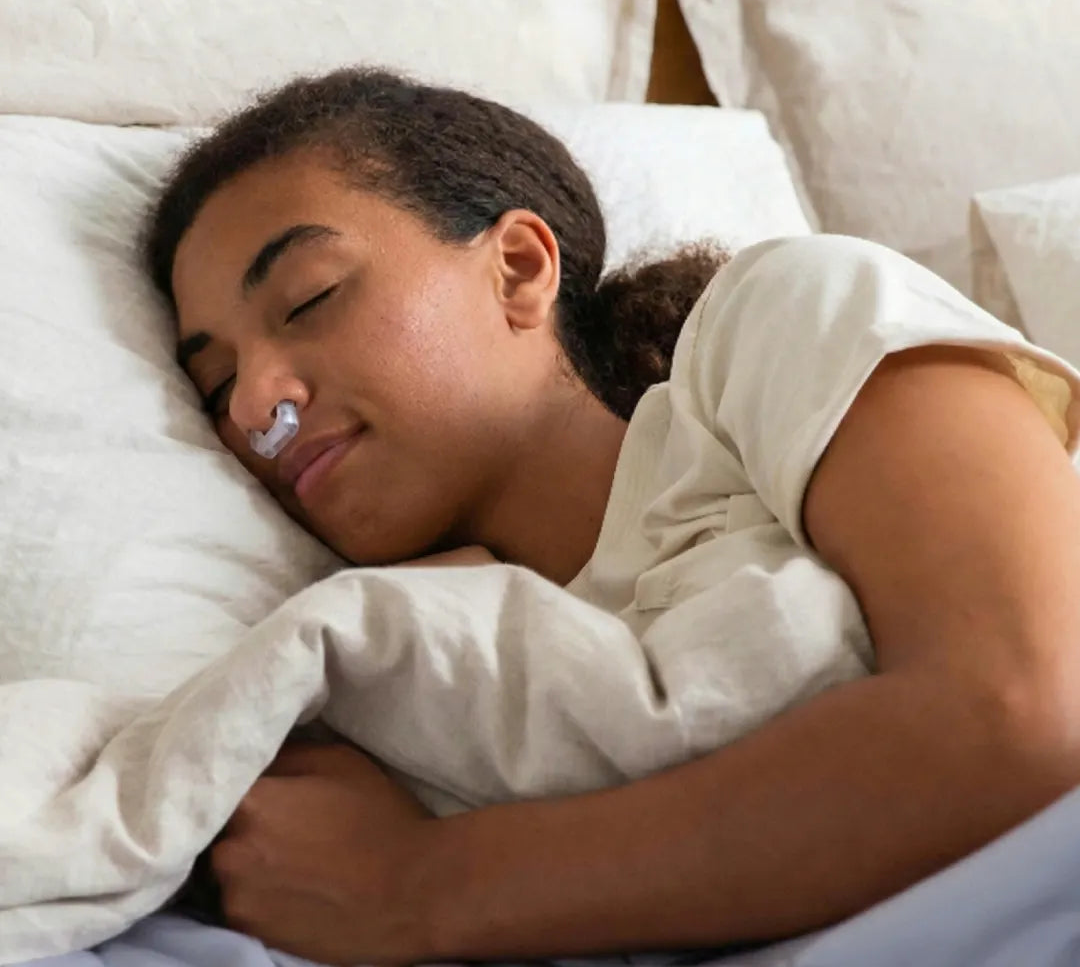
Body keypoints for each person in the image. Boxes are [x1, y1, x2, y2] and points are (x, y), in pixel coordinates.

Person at [145, 67, 1080, 966]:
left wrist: (421, 886)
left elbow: (1030, 709)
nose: (258, 404)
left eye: (310, 298)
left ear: (517, 267)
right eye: (215, 382)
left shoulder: (779, 322)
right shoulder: (397, 674)